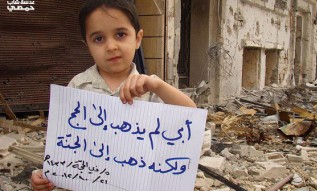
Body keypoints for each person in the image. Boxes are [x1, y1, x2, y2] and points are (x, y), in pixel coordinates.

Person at [31, 0, 196, 190]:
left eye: (120, 34)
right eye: (98, 39)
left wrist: (157, 85)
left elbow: (190, 116)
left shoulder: (150, 88)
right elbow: (62, 143)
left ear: (138, 38)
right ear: (87, 45)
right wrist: (45, 175)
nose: (111, 46)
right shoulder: (77, 86)